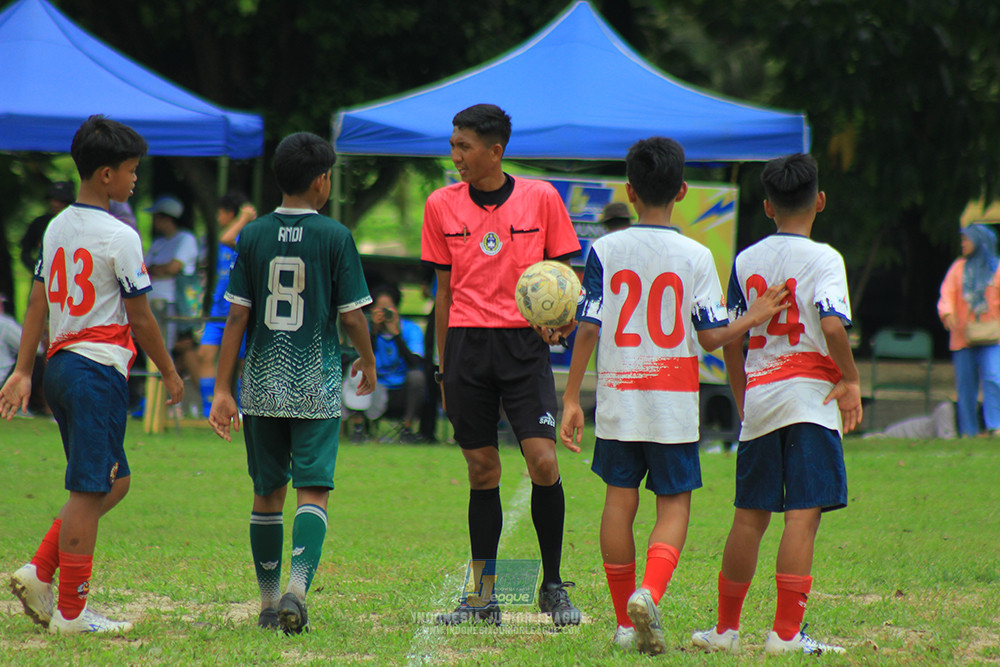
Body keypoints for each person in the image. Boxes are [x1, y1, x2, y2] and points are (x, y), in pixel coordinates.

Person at [559, 137, 790, 654]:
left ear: (630, 190)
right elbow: (710, 337)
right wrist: (752, 317)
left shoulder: (604, 249)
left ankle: (624, 622)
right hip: (672, 405)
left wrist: (572, 397)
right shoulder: (698, 255)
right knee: (674, 505)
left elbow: (590, 328)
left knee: (618, 503)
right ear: (682, 191)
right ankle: (651, 592)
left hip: (620, 400)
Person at [1, 115, 183, 634]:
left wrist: (24, 369)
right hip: (95, 368)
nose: (134, 180)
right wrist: (169, 371)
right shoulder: (119, 235)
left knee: (114, 481)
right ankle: (73, 614)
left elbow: (38, 297)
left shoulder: (58, 226)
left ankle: (39, 569)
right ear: (106, 174)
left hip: (61, 365)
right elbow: (141, 316)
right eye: (131, 170)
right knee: (88, 490)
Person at [690, 153, 861, 656]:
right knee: (802, 516)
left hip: (762, 397)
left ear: (767, 206)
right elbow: (831, 325)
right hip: (810, 400)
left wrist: (745, 398)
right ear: (820, 201)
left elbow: (731, 338)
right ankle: (786, 635)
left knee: (749, 517)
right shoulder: (826, 259)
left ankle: (724, 631)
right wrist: (849, 378)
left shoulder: (745, 261)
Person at [208, 131, 377, 635]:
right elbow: (351, 317)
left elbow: (236, 319)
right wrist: (367, 359)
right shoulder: (334, 236)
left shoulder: (253, 234)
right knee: (313, 491)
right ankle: (297, 591)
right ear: (322, 181)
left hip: (261, 385)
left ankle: (264, 603)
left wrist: (221, 389)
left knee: (267, 494)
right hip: (315, 384)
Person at [421, 103, 582, 627]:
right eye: (453, 145)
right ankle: (482, 597)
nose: (455, 156)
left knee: (543, 462)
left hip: (521, 349)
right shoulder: (440, 205)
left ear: (495, 151)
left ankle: (552, 586)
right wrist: (443, 369)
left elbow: (562, 280)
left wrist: (559, 323)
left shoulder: (541, 198)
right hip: (467, 348)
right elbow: (443, 296)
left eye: (464, 147)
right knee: (482, 469)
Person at [197, 191, 257, 417]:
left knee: (242, 362)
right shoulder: (226, 236)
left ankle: (243, 409)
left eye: (221, 213)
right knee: (205, 355)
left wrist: (243, 219)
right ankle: (206, 408)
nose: (218, 217)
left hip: (238, 311)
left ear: (231, 214)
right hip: (217, 311)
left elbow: (226, 239)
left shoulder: (246, 237)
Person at [937, 223, 1000, 437]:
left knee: (993, 378)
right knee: (966, 387)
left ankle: (995, 426)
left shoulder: (996, 268)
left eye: (967, 239)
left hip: (992, 337)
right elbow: (947, 293)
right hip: (962, 337)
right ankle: (969, 431)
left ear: (980, 241)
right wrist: (947, 313)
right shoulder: (958, 268)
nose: (963, 244)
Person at [144, 195, 200, 383]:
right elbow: (145, 269)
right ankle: (159, 395)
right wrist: (160, 270)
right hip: (152, 301)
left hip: (172, 303)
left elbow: (174, 268)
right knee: (156, 347)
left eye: (157, 216)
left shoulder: (186, 239)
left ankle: (168, 393)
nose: (154, 221)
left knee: (168, 347)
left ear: (167, 218)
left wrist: (157, 270)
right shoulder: (158, 243)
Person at [363, 284, 426, 441]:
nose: (384, 314)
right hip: (376, 387)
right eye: (380, 309)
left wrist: (396, 334)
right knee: (358, 376)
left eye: (388, 309)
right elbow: (362, 360)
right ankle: (361, 429)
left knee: (417, 377)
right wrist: (374, 332)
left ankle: (407, 428)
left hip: (403, 391)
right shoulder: (366, 331)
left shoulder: (411, 329)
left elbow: (414, 363)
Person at [19, 181, 76, 273]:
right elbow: (25, 251)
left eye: (61, 201)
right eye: (54, 200)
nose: (56, 204)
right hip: (44, 278)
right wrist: (38, 269)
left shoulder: (77, 225)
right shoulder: (40, 223)